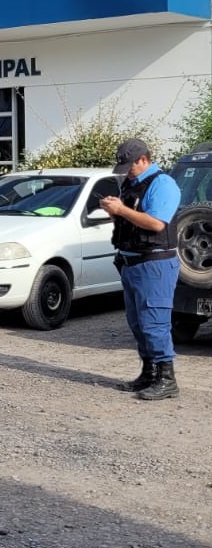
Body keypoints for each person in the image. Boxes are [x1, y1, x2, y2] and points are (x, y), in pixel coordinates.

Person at [100, 138, 181, 401]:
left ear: (143, 160)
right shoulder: (132, 183)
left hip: (154, 264)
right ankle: (149, 373)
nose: (126, 172)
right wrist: (114, 211)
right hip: (131, 263)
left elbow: (156, 223)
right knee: (137, 324)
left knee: (154, 323)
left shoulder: (163, 184)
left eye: (130, 166)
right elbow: (131, 219)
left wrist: (121, 209)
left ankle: (167, 380)